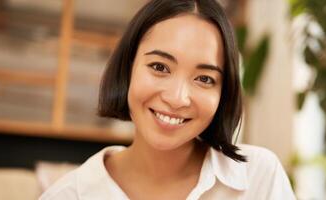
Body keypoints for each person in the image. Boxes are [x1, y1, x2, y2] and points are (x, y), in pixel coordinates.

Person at [40, 0, 295, 199]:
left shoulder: (259, 178)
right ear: (128, 67)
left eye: (205, 79)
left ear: (223, 93)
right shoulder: (67, 195)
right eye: (160, 67)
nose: (177, 98)